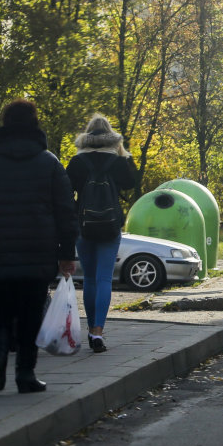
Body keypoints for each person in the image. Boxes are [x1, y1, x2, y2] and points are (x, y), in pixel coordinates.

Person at [0, 98, 77, 394]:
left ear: (5, 124)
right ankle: (25, 374)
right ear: (34, 124)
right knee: (31, 312)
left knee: (0, 306)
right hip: (38, 250)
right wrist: (66, 254)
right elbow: (65, 212)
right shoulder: (49, 162)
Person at [66, 114, 137, 354]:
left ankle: (89, 328)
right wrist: (124, 155)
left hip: (83, 225)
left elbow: (66, 190)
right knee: (105, 277)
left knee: (90, 279)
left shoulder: (77, 162)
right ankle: (98, 331)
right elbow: (132, 182)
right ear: (111, 136)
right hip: (109, 224)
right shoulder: (117, 161)